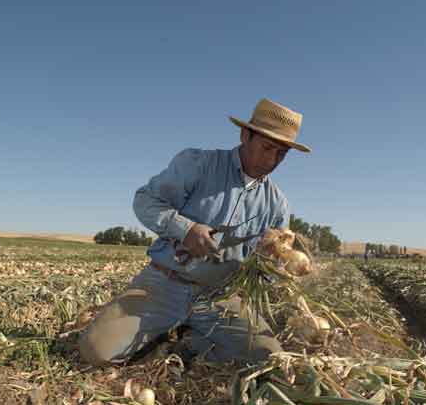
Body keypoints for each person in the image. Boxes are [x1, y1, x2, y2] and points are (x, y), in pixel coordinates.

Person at [80, 98, 311, 366]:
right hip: (164, 285)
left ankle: (188, 341)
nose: (272, 160)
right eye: (267, 147)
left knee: (269, 358)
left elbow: (268, 271)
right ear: (245, 134)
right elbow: (145, 201)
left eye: (281, 154)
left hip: (219, 298)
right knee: (96, 351)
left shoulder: (277, 204)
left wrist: (274, 265)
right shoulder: (199, 164)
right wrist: (186, 229)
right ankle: (169, 330)